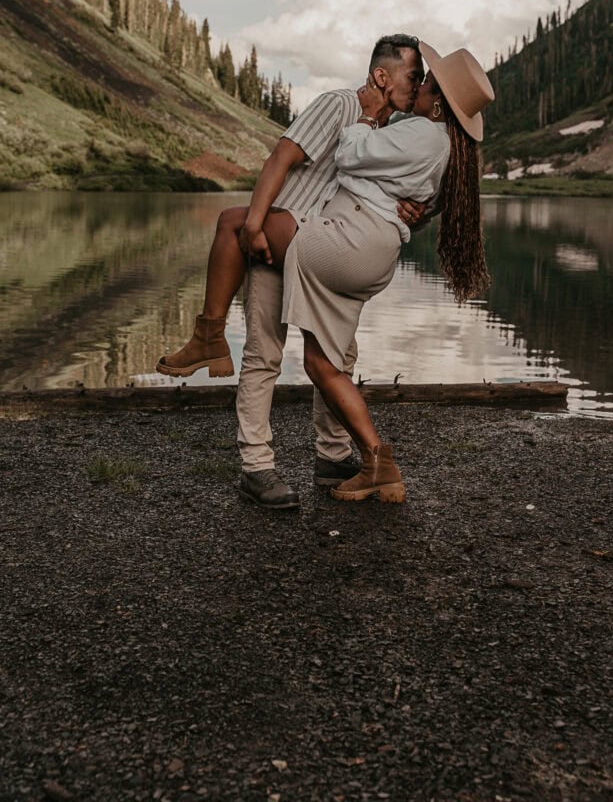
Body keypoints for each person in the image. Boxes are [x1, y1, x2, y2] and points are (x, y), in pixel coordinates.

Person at [160, 42, 494, 506]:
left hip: (328, 242)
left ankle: (331, 451)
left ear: (437, 100)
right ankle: (265, 463)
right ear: (382, 77)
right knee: (272, 354)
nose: (416, 85)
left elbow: (380, 177)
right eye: (412, 76)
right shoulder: (342, 105)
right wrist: (257, 223)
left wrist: (412, 212)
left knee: (331, 358)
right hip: (293, 232)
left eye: (423, 81)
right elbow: (281, 158)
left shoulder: (403, 130)